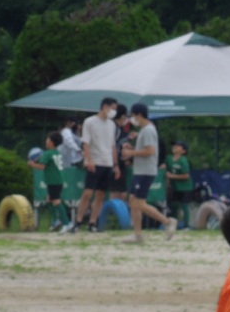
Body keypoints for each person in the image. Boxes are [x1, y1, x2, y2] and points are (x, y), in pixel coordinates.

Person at [123, 102, 176, 243]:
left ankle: (167, 222)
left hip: (145, 172)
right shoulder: (144, 130)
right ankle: (138, 235)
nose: (132, 119)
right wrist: (132, 149)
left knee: (139, 203)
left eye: (133, 116)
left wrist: (131, 153)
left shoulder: (148, 130)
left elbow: (150, 151)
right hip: (140, 171)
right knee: (132, 201)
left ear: (139, 115)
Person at [68, 97, 119, 233]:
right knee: (87, 193)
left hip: (107, 162)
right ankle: (78, 221)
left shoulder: (112, 124)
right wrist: (89, 160)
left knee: (101, 194)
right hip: (95, 161)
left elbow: (113, 145)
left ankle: (93, 222)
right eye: (113, 108)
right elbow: (85, 143)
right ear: (105, 107)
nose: (114, 112)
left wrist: (116, 165)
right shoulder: (90, 121)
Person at [28, 131, 72, 232]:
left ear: (51, 142)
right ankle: (56, 220)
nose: (46, 141)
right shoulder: (57, 152)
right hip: (58, 180)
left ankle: (67, 223)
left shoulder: (47, 153)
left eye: (48, 139)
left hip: (53, 181)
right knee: (49, 199)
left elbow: (42, 166)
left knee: (56, 201)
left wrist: (32, 164)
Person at [165, 141, 193, 229]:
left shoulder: (183, 160)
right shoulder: (169, 158)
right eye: (175, 145)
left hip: (185, 187)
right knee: (174, 205)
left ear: (183, 151)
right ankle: (174, 225)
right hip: (175, 187)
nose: (175, 147)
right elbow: (166, 169)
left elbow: (186, 176)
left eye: (178, 146)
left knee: (184, 205)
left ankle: (186, 226)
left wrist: (172, 176)